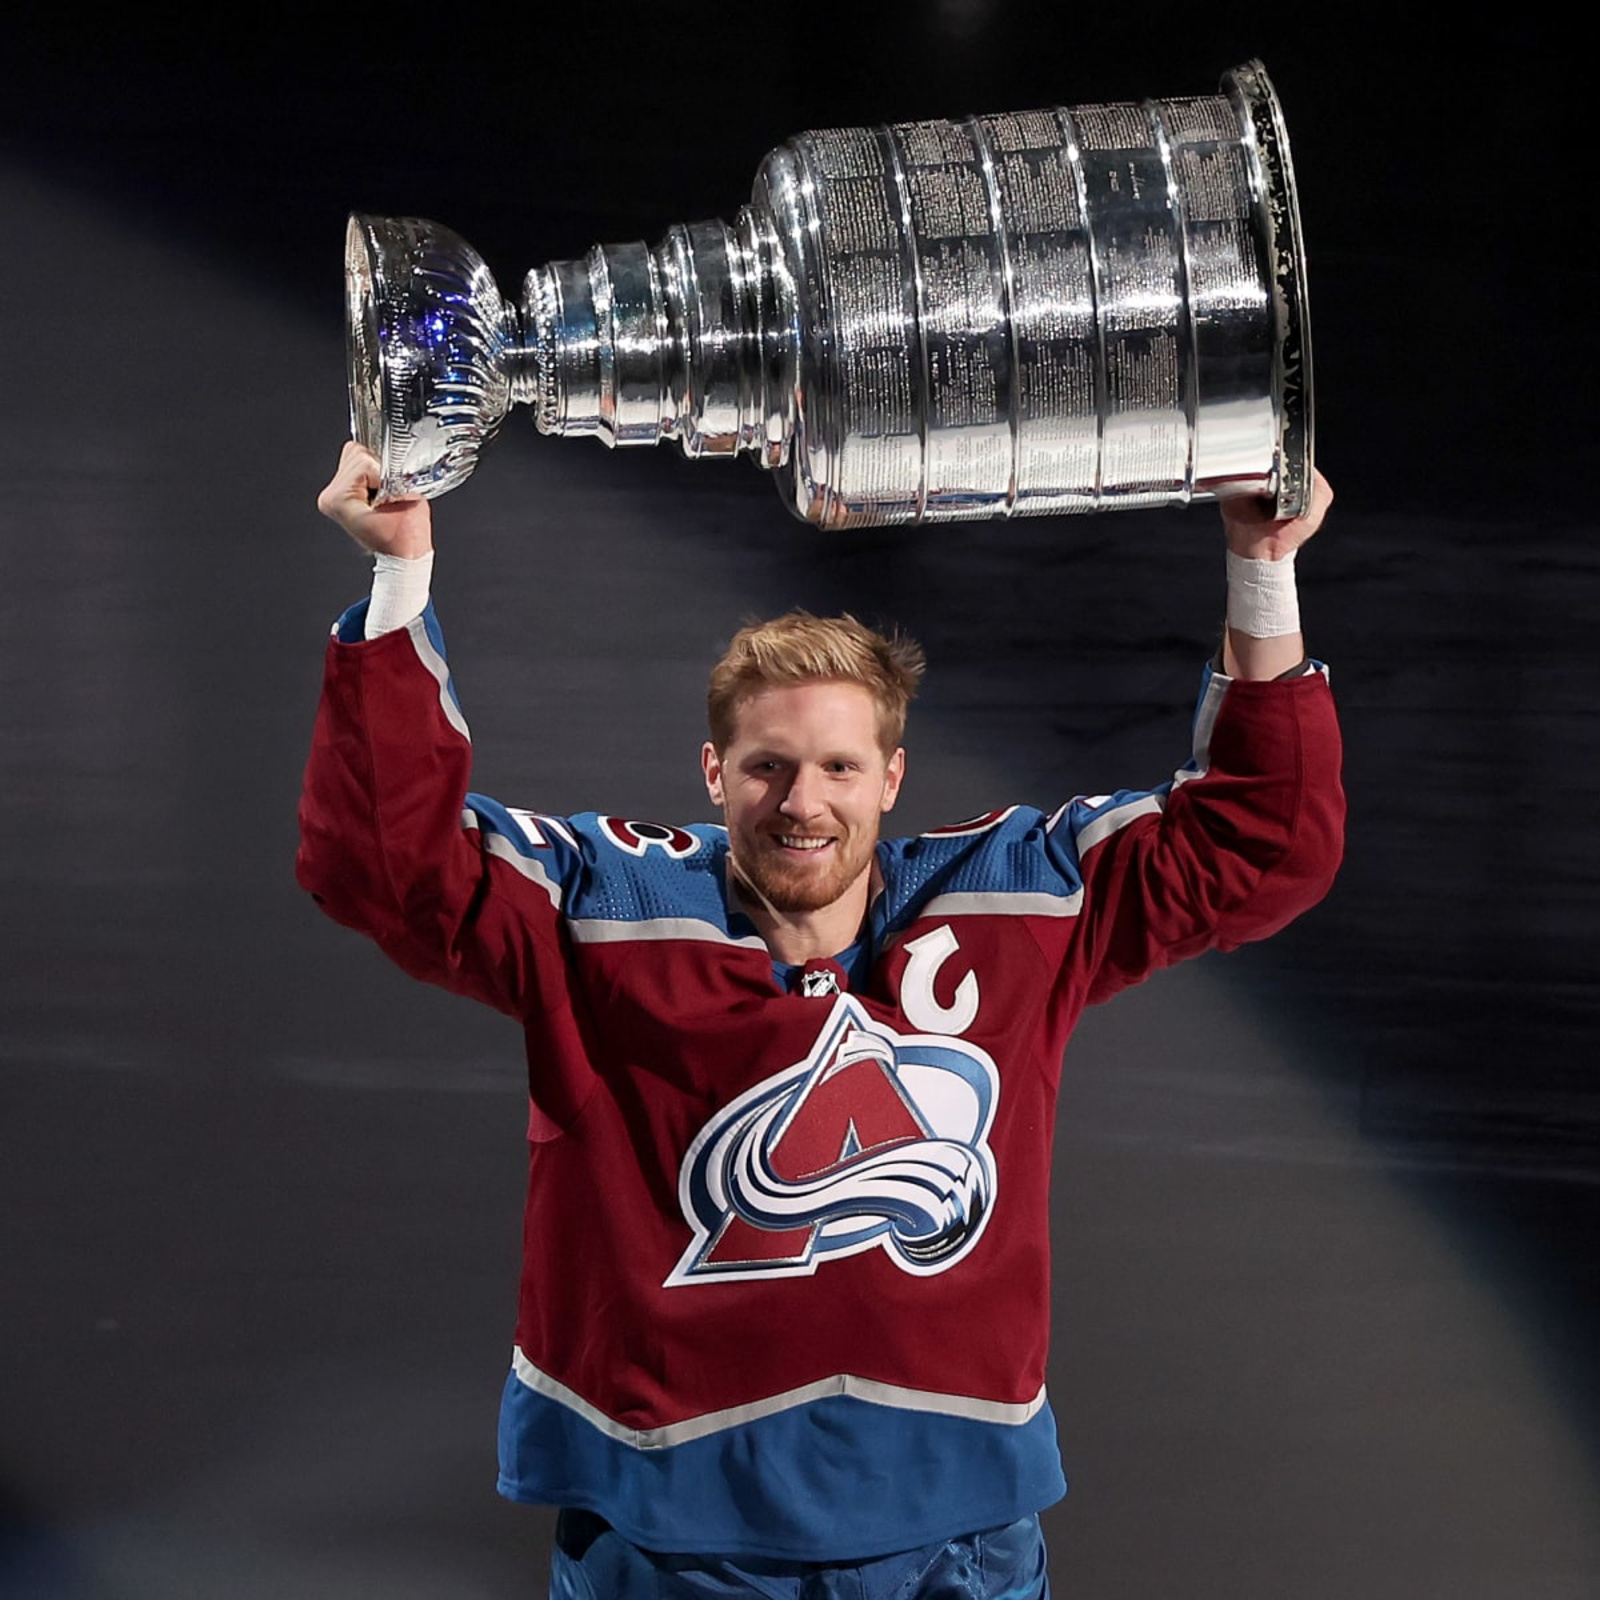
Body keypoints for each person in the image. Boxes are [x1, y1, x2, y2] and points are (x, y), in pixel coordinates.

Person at [300, 442, 1343, 1599]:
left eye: (839, 768)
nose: (803, 803)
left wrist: (1262, 563)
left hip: (956, 1533)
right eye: (768, 767)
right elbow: (383, 866)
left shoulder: (1017, 897)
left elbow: (1263, 847)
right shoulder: (601, 904)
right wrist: (401, 573)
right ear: (713, 772)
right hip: (682, 1538)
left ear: (891, 778)